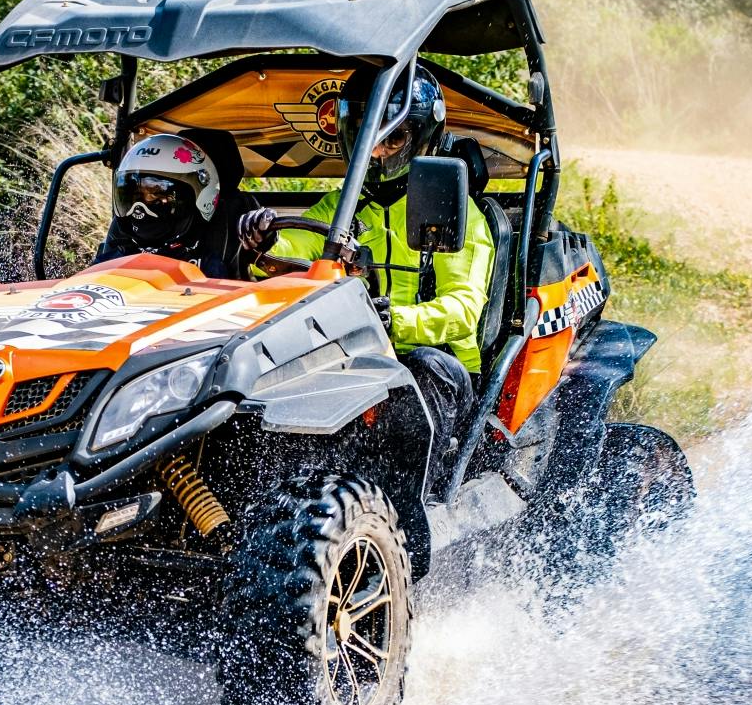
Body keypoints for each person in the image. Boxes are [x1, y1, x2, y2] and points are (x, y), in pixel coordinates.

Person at [237, 64, 495, 458]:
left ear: (421, 139)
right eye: (365, 136)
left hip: (440, 366)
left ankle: (413, 488)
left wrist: (393, 321)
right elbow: (298, 247)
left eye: (392, 139)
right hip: (361, 357)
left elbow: (462, 311)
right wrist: (266, 241)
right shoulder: (344, 206)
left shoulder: (455, 213)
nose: (376, 152)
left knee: (424, 366)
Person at [94, 132, 260, 280]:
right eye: (134, 195)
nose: (139, 208)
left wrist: (263, 233)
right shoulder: (115, 253)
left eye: (157, 194)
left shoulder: (209, 262)